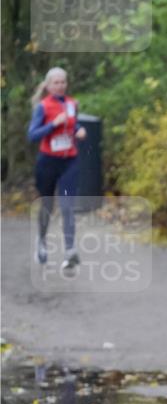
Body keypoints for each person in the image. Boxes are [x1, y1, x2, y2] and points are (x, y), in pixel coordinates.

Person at [27, 67, 87, 270]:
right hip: (48, 163)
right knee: (47, 205)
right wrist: (53, 124)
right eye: (56, 82)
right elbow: (32, 135)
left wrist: (79, 130)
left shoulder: (71, 103)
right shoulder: (43, 107)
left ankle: (70, 251)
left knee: (68, 206)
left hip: (69, 162)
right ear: (48, 85)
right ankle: (41, 242)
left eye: (63, 82)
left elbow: (73, 124)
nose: (60, 86)